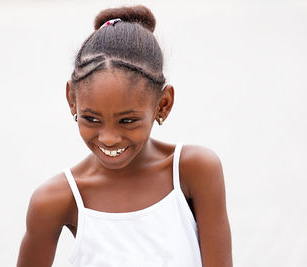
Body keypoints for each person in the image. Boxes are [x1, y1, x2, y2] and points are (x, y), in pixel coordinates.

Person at [17, 5, 232, 267]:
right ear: (72, 100)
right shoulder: (55, 199)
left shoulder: (194, 171)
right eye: (91, 119)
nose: (108, 138)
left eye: (127, 121)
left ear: (163, 104)